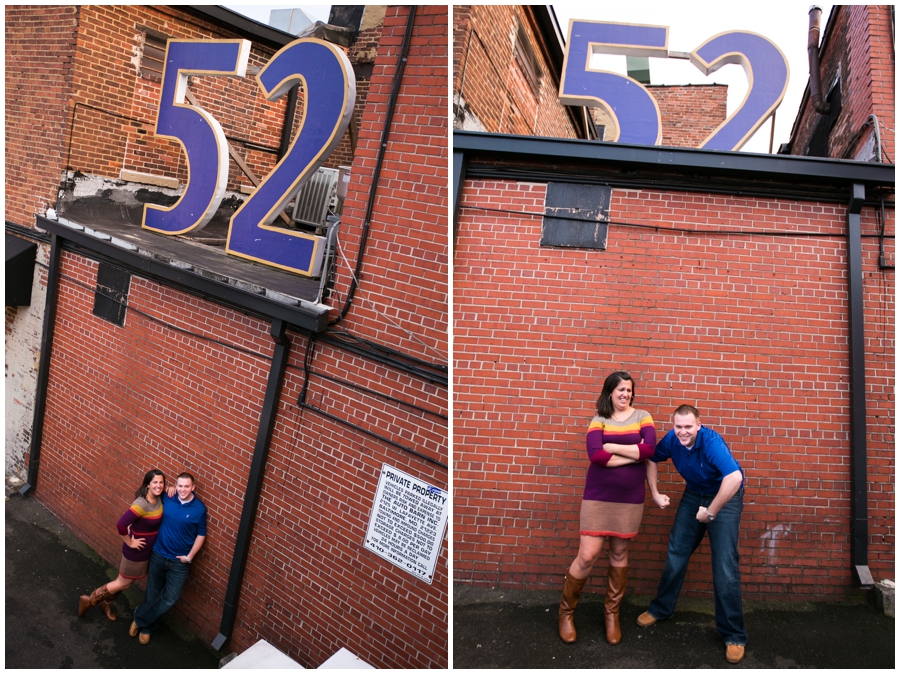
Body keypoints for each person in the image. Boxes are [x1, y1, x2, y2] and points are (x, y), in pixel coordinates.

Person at [637, 404, 746, 664]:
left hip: (724, 495)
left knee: (724, 564)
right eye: (678, 427)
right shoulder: (672, 441)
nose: (683, 432)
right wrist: (654, 492)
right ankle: (661, 609)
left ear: (698, 425)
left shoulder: (711, 442)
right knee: (677, 551)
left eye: (688, 426)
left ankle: (734, 635)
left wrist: (710, 513)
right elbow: (650, 457)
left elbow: (734, 479)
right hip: (694, 492)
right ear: (673, 426)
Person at [558, 371, 657, 645]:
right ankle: (566, 613)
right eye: (620, 389)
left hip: (629, 499)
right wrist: (630, 454)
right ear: (609, 392)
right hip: (598, 496)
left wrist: (612, 446)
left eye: (629, 389)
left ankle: (611, 614)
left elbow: (649, 450)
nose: (625, 394)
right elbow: (595, 456)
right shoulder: (598, 419)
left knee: (619, 551)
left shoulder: (643, 417)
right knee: (588, 555)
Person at [129, 472, 207, 645]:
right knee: (153, 591)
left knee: (170, 597)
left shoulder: (199, 509)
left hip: (180, 562)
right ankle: (147, 628)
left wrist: (190, 557)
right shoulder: (167, 497)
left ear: (193, 488)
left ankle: (139, 618)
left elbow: (201, 535)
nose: (183, 489)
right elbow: (147, 500)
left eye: (187, 486)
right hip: (158, 554)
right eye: (180, 486)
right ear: (175, 486)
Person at [79, 469, 166, 621]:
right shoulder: (142, 504)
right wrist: (131, 542)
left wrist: (170, 489)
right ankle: (89, 601)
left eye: (161, 482)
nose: (158, 485)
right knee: (123, 583)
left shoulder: (159, 499)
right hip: (135, 553)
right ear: (147, 485)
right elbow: (121, 525)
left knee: (127, 583)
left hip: (146, 552)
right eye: (155, 482)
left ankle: (106, 603)